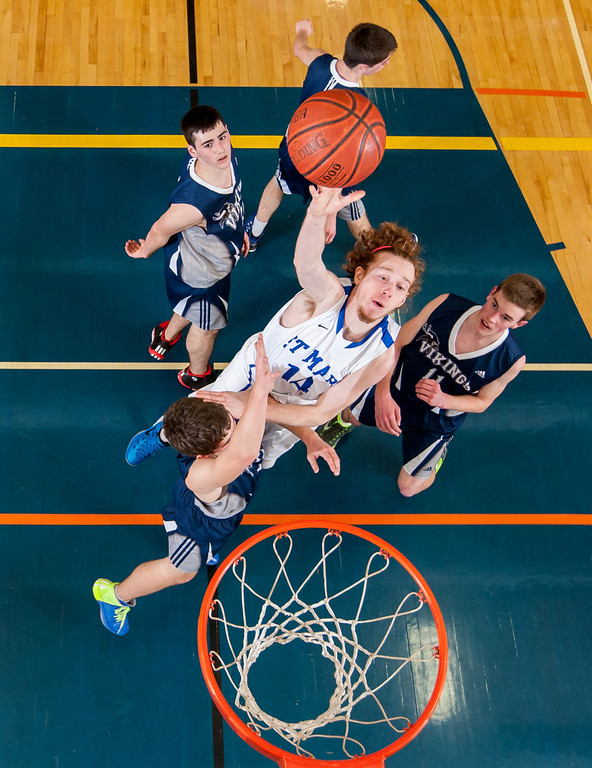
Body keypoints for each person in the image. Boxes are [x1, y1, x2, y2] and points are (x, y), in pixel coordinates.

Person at [92, 337, 338, 637]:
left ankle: (164, 437)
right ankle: (115, 595)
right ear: (207, 455)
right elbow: (243, 453)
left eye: (232, 423)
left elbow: (266, 411)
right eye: (229, 436)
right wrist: (259, 392)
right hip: (201, 527)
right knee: (181, 572)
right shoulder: (203, 474)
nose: (237, 427)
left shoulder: (219, 418)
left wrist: (309, 436)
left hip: (222, 506)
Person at [186, 185, 425, 471]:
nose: (388, 290)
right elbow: (306, 264)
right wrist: (316, 215)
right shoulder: (326, 297)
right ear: (360, 275)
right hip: (251, 372)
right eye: (383, 277)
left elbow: (321, 412)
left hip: (294, 410)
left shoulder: (381, 355)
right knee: (197, 420)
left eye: (400, 287)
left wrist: (257, 407)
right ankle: (159, 435)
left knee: (257, 461)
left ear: (403, 299)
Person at [317, 274, 546, 496]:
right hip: (397, 388)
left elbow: (483, 402)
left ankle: (436, 455)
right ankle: (341, 421)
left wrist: (444, 400)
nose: (492, 318)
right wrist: (383, 393)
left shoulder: (510, 360)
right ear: (492, 291)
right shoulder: (446, 305)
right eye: (494, 305)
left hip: (435, 421)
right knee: (351, 414)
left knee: (408, 488)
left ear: (519, 324)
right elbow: (396, 344)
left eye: (506, 318)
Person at [245, 20, 398, 252]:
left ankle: (254, 233)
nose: (386, 64)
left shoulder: (320, 61)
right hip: (331, 167)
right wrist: (330, 215)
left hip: (297, 149)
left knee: (278, 182)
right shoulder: (357, 104)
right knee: (353, 206)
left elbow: (299, 49)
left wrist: (302, 31)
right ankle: (376, 254)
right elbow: (341, 157)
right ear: (364, 66)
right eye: (384, 62)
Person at [125, 105, 248, 390]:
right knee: (207, 327)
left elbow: (231, 201)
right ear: (192, 151)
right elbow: (160, 229)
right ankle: (197, 374)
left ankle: (166, 335)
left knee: (191, 307)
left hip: (213, 256)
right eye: (208, 144)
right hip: (202, 275)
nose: (220, 148)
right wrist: (145, 250)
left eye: (222, 137)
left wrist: (237, 228)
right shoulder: (193, 204)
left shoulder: (223, 160)